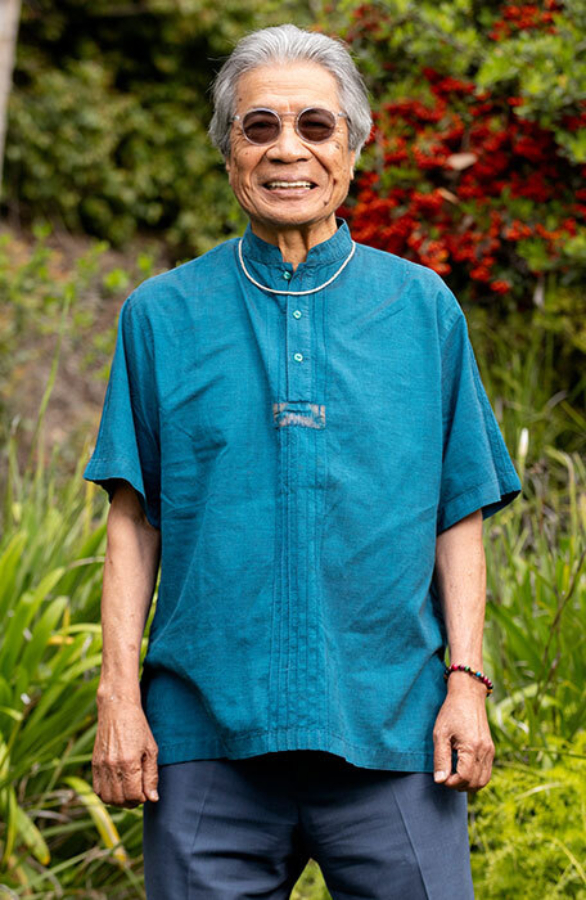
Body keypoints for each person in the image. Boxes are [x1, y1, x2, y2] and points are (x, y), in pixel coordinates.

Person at [83, 22, 522, 900]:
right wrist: (118, 699)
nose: (289, 150)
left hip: (397, 736)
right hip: (202, 745)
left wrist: (466, 685)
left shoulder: (422, 309)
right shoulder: (161, 316)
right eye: (260, 127)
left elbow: (458, 513)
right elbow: (133, 521)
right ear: (228, 150)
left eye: (316, 126)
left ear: (354, 146)